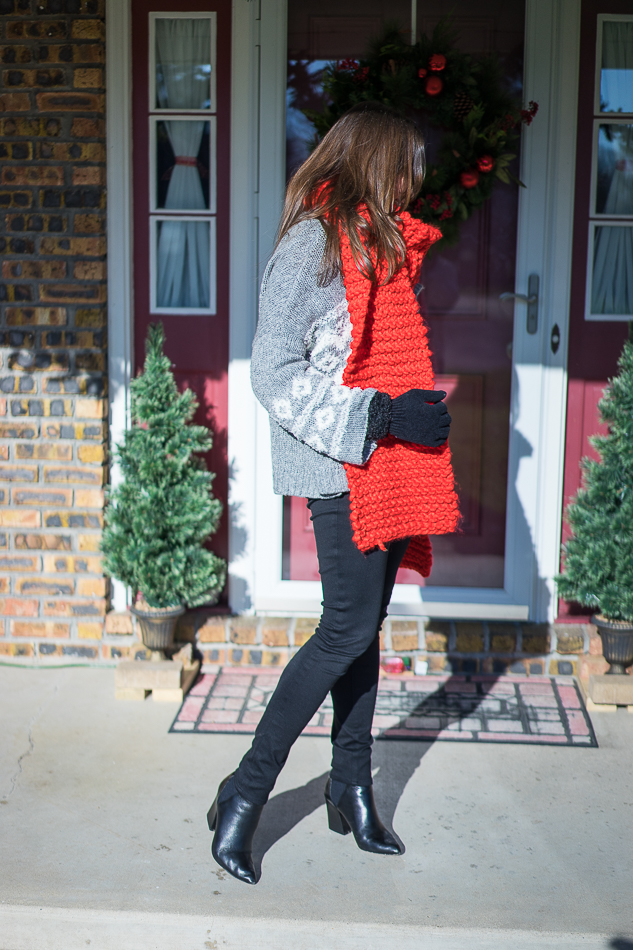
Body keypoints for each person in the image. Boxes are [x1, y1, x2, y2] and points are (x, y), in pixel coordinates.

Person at [207, 101, 459, 884]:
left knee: (363, 629)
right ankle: (244, 794)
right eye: (408, 164)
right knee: (344, 632)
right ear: (374, 161)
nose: (415, 179)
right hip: (340, 464)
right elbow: (272, 370)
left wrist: (411, 416)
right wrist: (382, 412)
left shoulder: (384, 250)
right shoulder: (312, 244)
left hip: (387, 463)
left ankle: (350, 785)